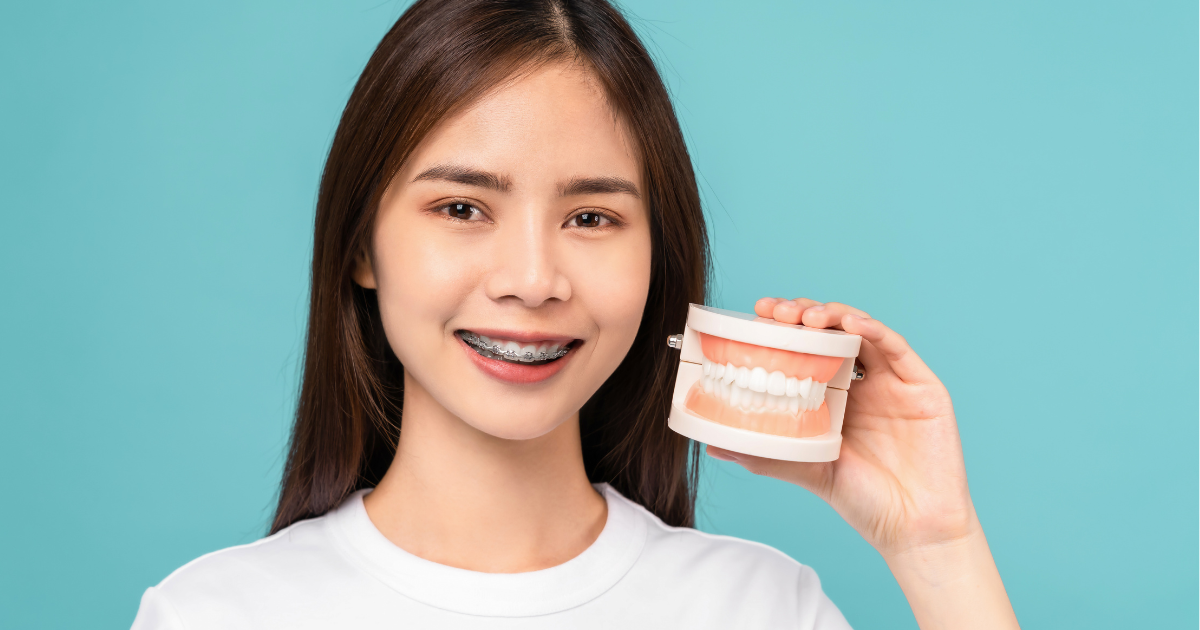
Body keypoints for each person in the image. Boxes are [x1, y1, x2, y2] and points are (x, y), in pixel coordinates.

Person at [131, 0, 1019, 628]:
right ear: (362, 246)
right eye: (462, 208)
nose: (532, 278)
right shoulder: (215, 615)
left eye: (592, 217)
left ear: (655, 261)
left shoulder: (759, 611)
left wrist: (937, 544)